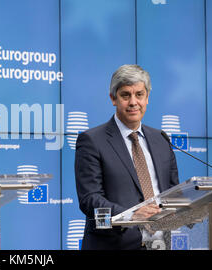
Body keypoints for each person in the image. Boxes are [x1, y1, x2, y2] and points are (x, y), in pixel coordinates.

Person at [74, 64, 179, 250]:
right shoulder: (92, 140)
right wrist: (131, 215)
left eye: (139, 94)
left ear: (147, 98)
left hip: (161, 243)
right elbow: (90, 199)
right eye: (125, 95)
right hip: (114, 245)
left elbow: (173, 192)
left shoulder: (161, 139)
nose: (133, 102)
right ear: (113, 98)